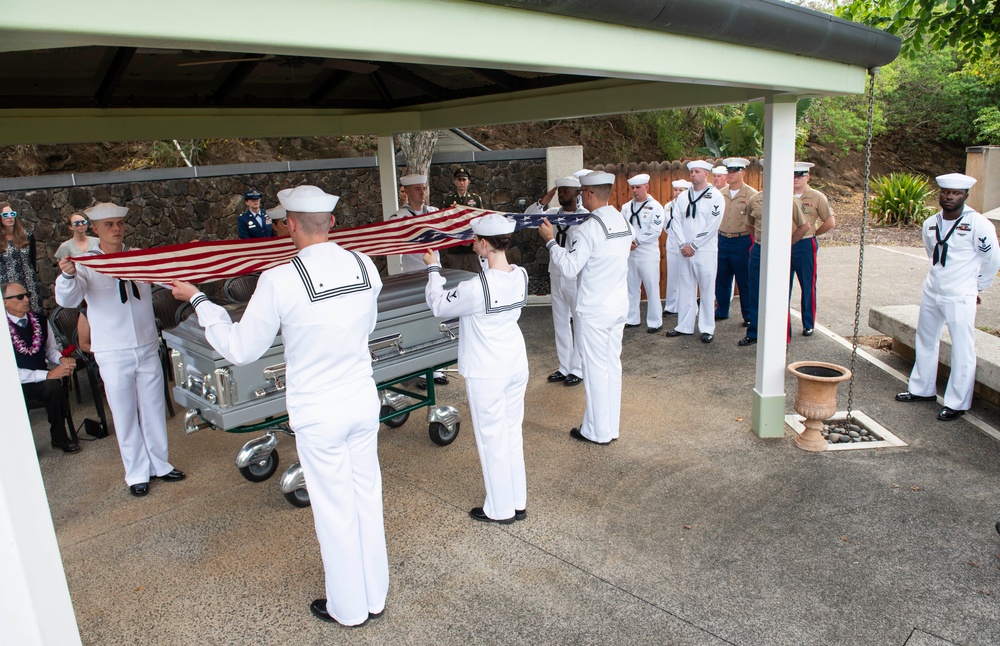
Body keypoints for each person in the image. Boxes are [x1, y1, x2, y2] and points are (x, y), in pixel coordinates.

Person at [171, 185, 388, 627]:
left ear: (289, 224)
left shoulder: (279, 279)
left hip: (319, 408)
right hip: (361, 398)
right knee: (366, 496)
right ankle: (374, 595)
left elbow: (241, 348)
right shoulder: (365, 264)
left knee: (334, 509)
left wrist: (199, 301)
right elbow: (366, 324)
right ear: (330, 222)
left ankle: (348, 608)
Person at [55, 202, 184, 497]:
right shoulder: (87, 263)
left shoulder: (138, 258)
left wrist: (185, 266)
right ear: (96, 230)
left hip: (147, 344)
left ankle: (160, 464)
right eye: (109, 225)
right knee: (124, 415)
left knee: (152, 410)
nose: (116, 229)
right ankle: (136, 472)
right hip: (113, 350)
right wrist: (67, 276)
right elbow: (68, 299)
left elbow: (166, 278)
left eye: (119, 224)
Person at [422, 213, 529, 524]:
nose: (472, 243)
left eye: (476, 240)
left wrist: (433, 267)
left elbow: (438, 305)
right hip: (514, 363)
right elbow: (493, 276)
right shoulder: (519, 274)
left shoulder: (474, 287)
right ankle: (516, 501)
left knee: (491, 439)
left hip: (488, 371)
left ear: (484, 243)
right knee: (510, 435)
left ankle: (500, 509)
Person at [895, 173, 1000, 421]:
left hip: (960, 294)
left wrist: (978, 288)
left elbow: (992, 259)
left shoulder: (978, 224)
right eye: (945, 192)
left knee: (962, 347)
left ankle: (957, 402)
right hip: (933, 290)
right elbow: (932, 252)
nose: (949, 197)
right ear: (939, 194)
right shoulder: (931, 223)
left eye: (955, 193)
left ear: (965, 195)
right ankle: (922, 390)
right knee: (925, 339)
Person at [539, 171, 632, 445]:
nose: (581, 196)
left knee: (594, 371)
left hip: (595, 310)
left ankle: (596, 431)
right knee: (611, 367)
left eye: (582, 193)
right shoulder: (621, 219)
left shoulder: (589, 228)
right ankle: (609, 427)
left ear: (589, 194)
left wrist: (550, 241)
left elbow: (568, 269)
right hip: (617, 306)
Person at [526, 176, 586, 387]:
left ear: (578, 192)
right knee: (560, 321)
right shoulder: (551, 214)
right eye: (560, 191)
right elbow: (528, 218)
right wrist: (545, 199)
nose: (562, 194)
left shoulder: (585, 217)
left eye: (566, 191)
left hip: (575, 274)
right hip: (556, 272)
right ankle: (564, 366)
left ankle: (578, 368)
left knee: (578, 322)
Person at [5, 281, 79, 453]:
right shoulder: (3, 328)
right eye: (19, 297)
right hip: (11, 382)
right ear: (5, 302)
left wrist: (61, 360)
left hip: (39, 378)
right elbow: (8, 372)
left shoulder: (39, 320)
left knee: (55, 388)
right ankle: (22, 449)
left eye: (27, 295)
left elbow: (50, 350)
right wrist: (47, 374)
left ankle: (59, 437)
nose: (26, 300)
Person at [389, 174, 447, 386]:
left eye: (424, 188)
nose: (422, 193)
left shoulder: (434, 212)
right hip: (413, 274)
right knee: (418, 320)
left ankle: (437, 368)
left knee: (436, 317)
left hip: (434, 271)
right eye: (417, 189)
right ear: (406, 191)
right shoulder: (399, 217)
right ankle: (421, 370)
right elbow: (397, 240)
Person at [738, 191, 809, 346]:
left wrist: (787, 244)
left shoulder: (791, 199)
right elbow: (749, 225)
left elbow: (805, 226)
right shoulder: (755, 199)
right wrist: (761, 239)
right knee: (755, 292)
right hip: (759, 249)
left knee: (780, 294)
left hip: (780, 251)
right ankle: (755, 332)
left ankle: (782, 336)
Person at [665, 160, 726, 343]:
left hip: (704, 251)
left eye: (697, 172)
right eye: (691, 171)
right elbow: (675, 221)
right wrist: (683, 244)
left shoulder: (715, 196)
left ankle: (707, 328)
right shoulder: (684, 197)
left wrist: (694, 245)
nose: (693, 175)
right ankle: (684, 325)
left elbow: (713, 224)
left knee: (707, 289)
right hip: (684, 250)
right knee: (685, 288)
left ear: (706, 174)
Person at [790, 162, 836, 336]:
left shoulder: (816, 197)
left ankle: (808, 323)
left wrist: (813, 233)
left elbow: (830, 222)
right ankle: (781, 321)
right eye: (793, 175)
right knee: (782, 286)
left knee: (807, 285)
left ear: (807, 177)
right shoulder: (782, 193)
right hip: (784, 244)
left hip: (804, 244)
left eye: (800, 175)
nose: (796, 179)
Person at [715, 158, 758, 326]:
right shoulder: (720, 194)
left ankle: (748, 315)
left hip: (742, 240)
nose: (730, 174)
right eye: (729, 171)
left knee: (744, 279)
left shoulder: (751, 194)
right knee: (722, 278)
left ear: (743, 173)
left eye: (734, 171)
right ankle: (722, 310)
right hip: (723, 239)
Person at [621, 173, 665, 333]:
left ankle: (655, 322)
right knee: (631, 287)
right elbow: (622, 227)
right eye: (632, 188)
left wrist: (637, 241)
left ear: (647, 187)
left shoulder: (656, 207)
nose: (635, 190)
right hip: (630, 253)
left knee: (652, 287)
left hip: (647, 253)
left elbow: (655, 230)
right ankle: (632, 318)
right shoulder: (626, 207)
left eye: (638, 187)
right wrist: (628, 242)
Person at [441, 168, 485, 273]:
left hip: (473, 243)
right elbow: (446, 222)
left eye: (464, 180)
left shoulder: (476, 199)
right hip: (455, 243)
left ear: (468, 182)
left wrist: (469, 238)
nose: (461, 183)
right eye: (459, 180)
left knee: (478, 272)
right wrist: (460, 238)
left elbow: (479, 220)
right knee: (454, 274)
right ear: (455, 182)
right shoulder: (449, 200)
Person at [0, 203, 41, 312]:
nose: (10, 217)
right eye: (5, 215)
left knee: (34, 314)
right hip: (7, 284)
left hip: (28, 281)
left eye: (12, 214)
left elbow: (32, 259)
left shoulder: (26, 235)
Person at [662, 179, 691, 317]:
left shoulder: (690, 205)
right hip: (672, 243)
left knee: (686, 276)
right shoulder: (668, 206)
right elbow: (665, 226)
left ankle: (686, 306)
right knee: (672, 276)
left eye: (681, 190)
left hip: (686, 244)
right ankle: (671, 305)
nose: (678, 192)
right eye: (676, 190)